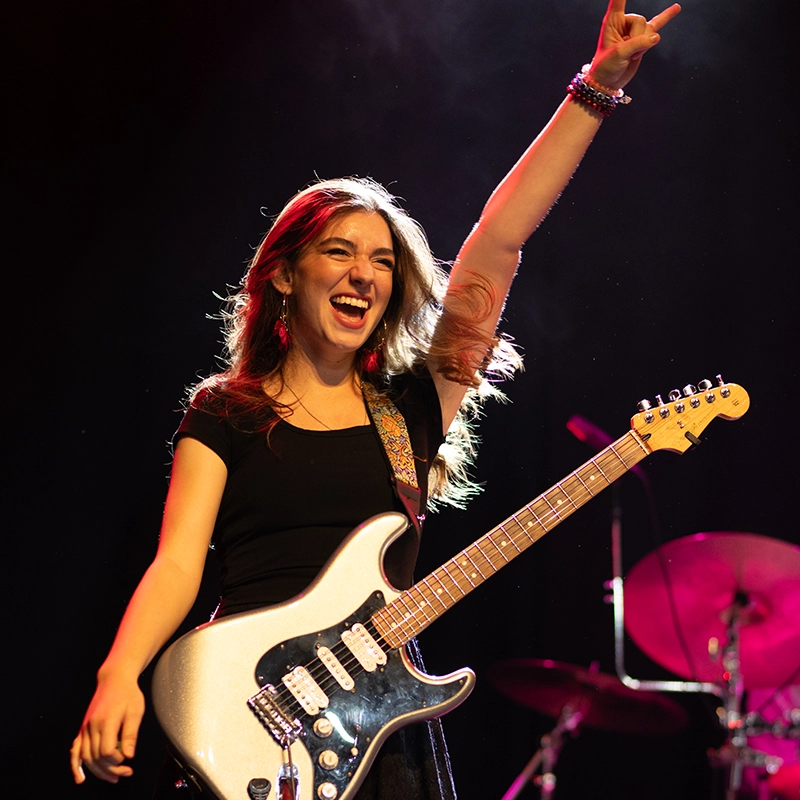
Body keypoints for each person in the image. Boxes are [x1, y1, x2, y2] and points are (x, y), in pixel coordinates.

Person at [70, 1, 681, 797]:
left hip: (380, 733)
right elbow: (178, 563)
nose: (365, 273)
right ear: (284, 275)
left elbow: (497, 243)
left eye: (383, 261)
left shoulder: (412, 410)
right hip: (244, 713)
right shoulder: (226, 412)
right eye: (340, 252)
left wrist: (592, 92)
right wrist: (119, 676)